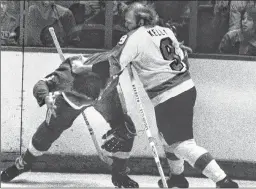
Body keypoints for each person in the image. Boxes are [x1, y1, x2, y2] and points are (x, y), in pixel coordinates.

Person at [79, 2, 238, 188]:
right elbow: (182, 57)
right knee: (168, 139)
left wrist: (86, 70)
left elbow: (114, 63)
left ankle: (223, 181)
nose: (125, 24)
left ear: (140, 20)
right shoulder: (165, 31)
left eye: (128, 21)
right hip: (186, 88)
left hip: (168, 96)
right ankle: (177, 178)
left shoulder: (134, 37)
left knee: (182, 145)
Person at [0, 55, 139, 188]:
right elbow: (41, 84)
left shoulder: (112, 66)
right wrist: (46, 97)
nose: (95, 98)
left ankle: (119, 174)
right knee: (48, 132)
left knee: (125, 129)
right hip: (71, 101)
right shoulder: (67, 76)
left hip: (107, 94)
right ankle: (24, 163)